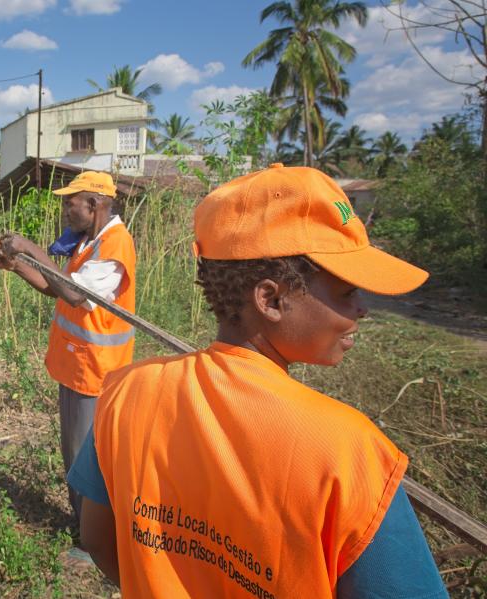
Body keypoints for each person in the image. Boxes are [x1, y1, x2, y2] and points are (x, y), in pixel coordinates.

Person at [67, 164, 448, 597]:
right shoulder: (349, 452)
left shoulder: (126, 391)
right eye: (347, 292)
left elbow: (98, 540)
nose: (362, 309)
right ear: (270, 299)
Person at [0, 171, 136, 522]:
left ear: (94, 204)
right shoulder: (90, 240)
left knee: (84, 458)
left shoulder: (114, 243)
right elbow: (54, 286)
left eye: (69, 203)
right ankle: (84, 525)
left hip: (95, 370)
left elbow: (75, 293)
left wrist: (29, 248)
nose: (65, 210)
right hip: (78, 365)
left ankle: (92, 540)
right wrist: (17, 266)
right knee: (74, 452)